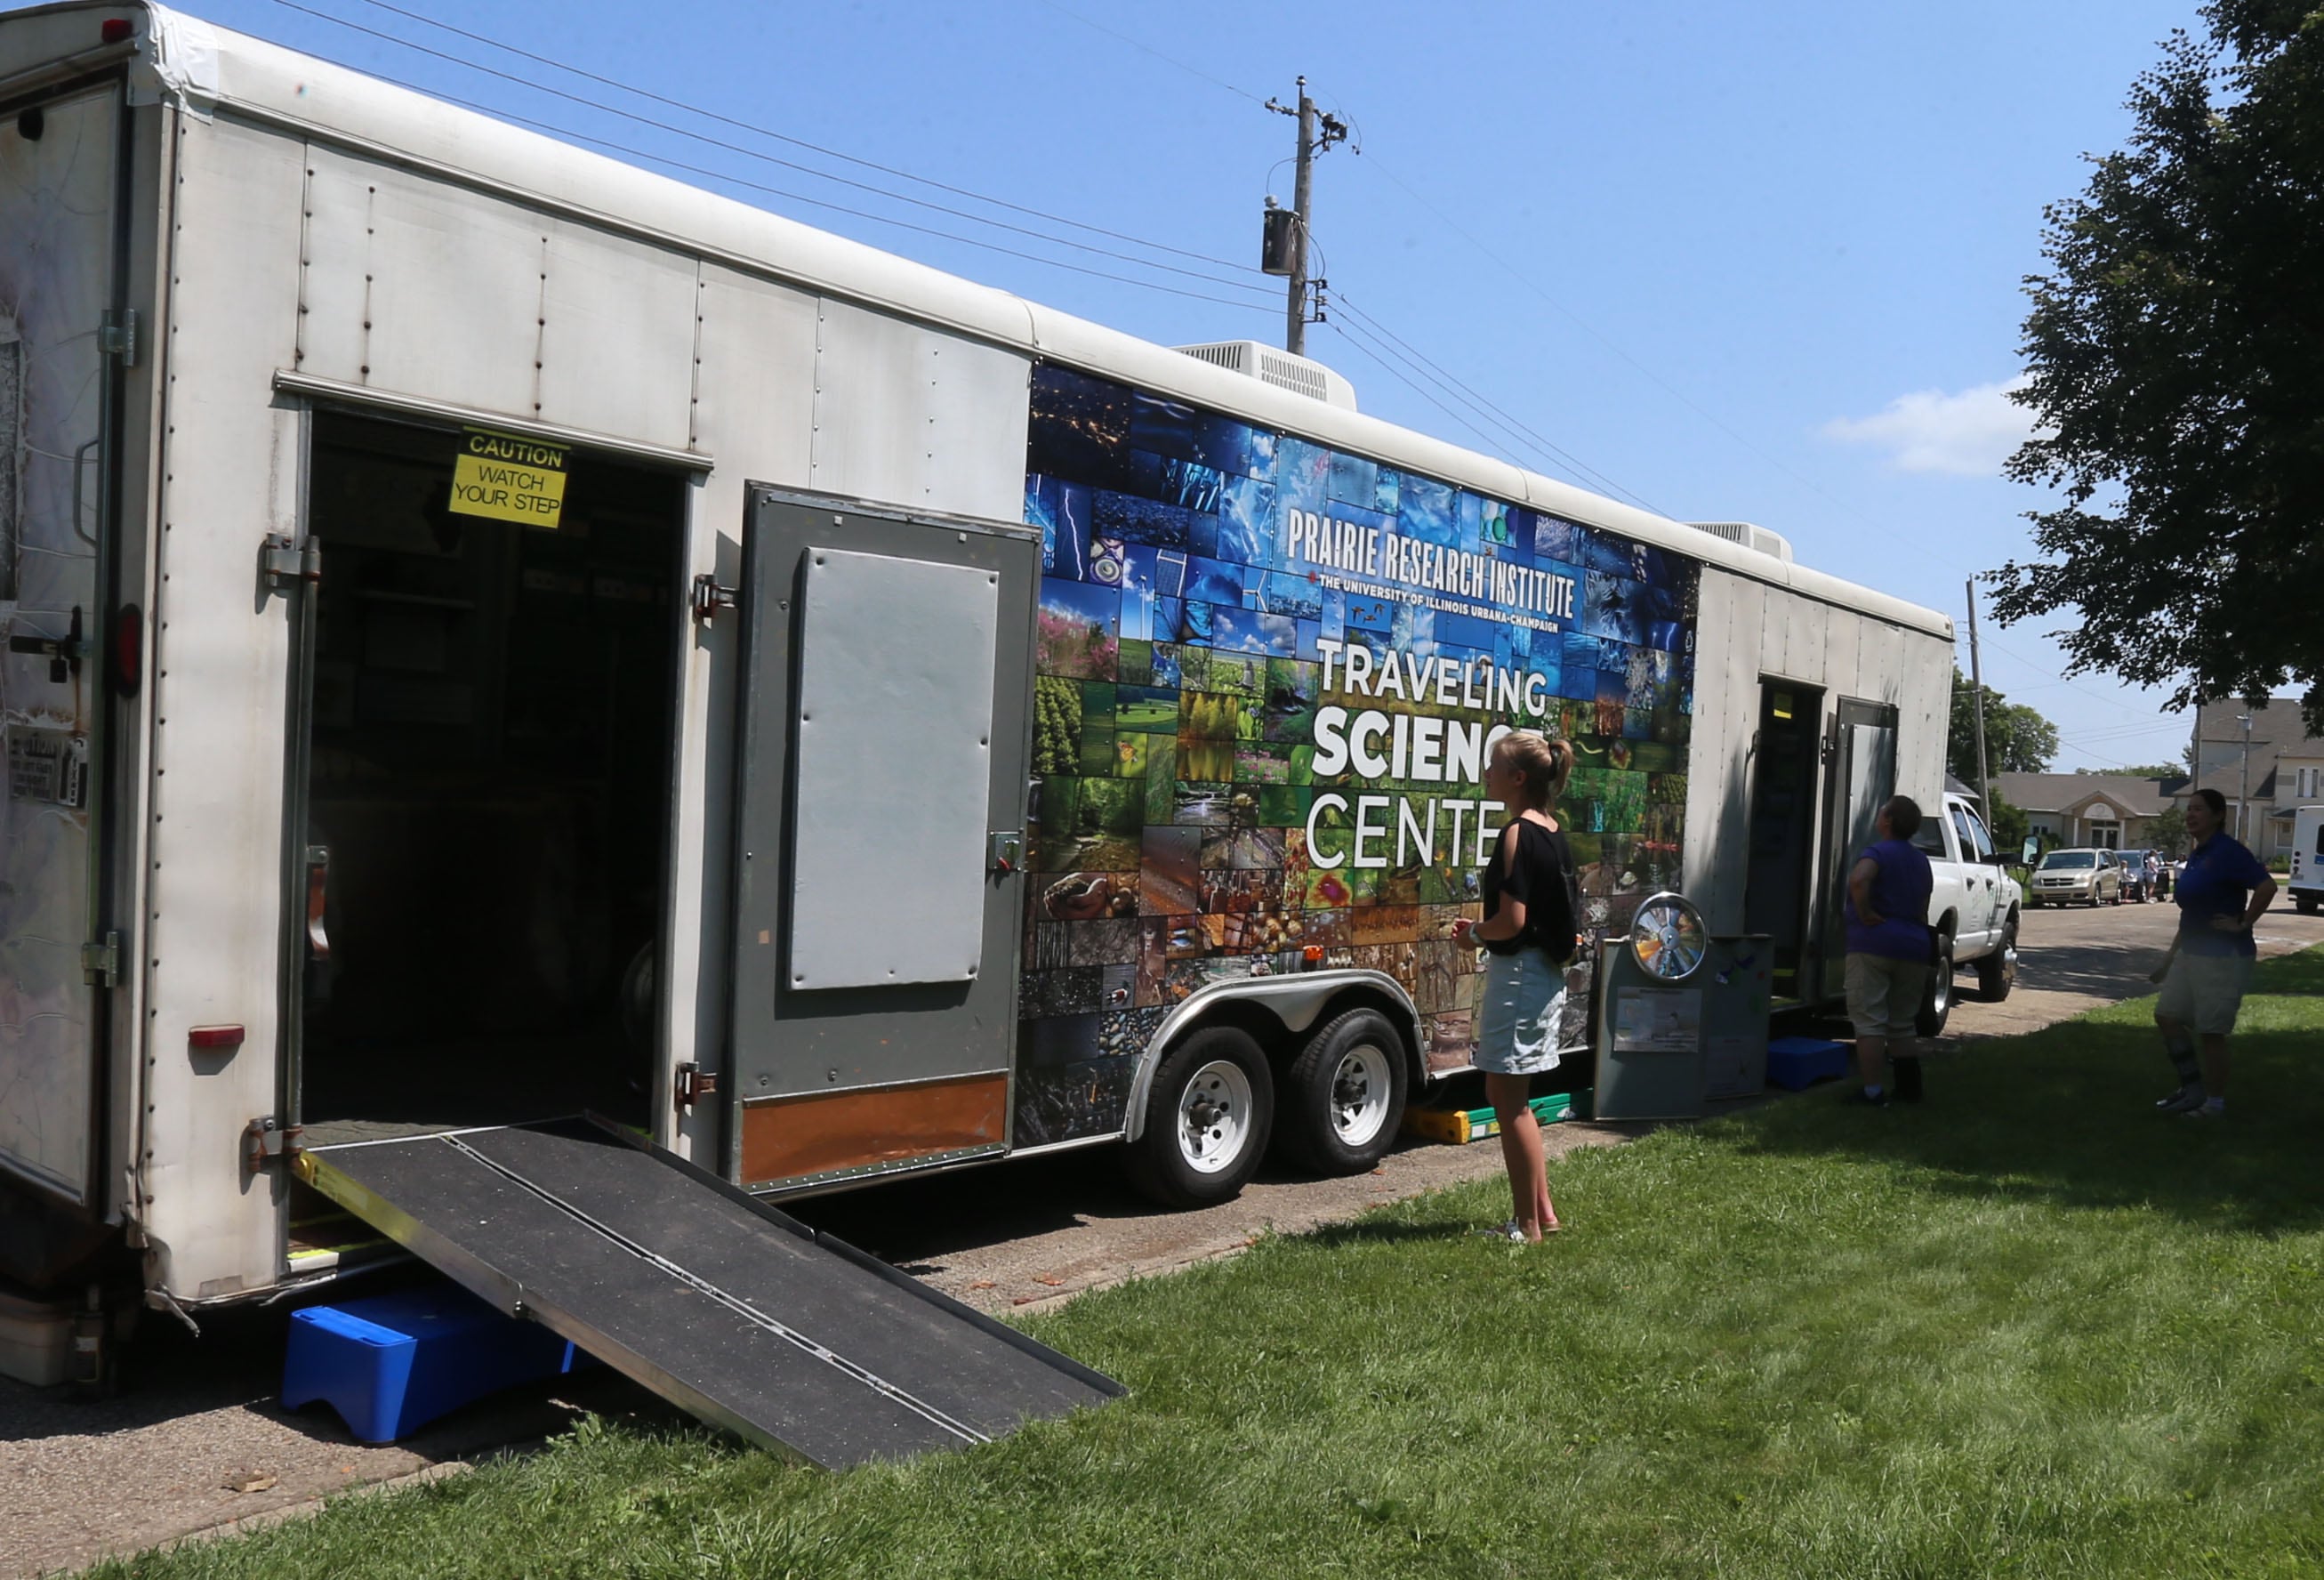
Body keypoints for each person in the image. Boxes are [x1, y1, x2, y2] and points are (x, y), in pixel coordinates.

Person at [1451, 730, 1580, 1244]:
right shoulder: (1554, 830)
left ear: (1518, 778)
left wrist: (1475, 935)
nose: (1486, 774)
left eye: (1493, 766)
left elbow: (1513, 920)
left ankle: (1526, 1227)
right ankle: (1542, 1211)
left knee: (1510, 1101)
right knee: (1509, 1093)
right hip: (1541, 976)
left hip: (1520, 975)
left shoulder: (1518, 834)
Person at [2149, 787, 2276, 1117]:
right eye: (2189, 809)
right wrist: (2167, 960)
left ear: (2219, 816)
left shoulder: (2228, 852)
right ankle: (2191, 1089)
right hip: (2191, 951)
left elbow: (2267, 887)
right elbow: (2189, 913)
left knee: (2211, 1032)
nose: (2191, 814)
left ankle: (2214, 1104)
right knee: (2167, 1016)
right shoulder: (2198, 854)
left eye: (2199, 809)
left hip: (2223, 956)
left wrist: (2243, 923)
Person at [1843, 795, 1936, 1105]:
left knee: (1869, 1021)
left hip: (1873, 945)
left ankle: (1872, 1092)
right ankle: (1910, 1091)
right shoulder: (1921, 861)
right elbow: (1923, 908)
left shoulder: (1877, 852)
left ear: (1888, 821)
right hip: (1914, 946)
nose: (1879, 815)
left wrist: (1866, 912)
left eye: (1882, 811)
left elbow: (1859, 880)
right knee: (1902, 1022)